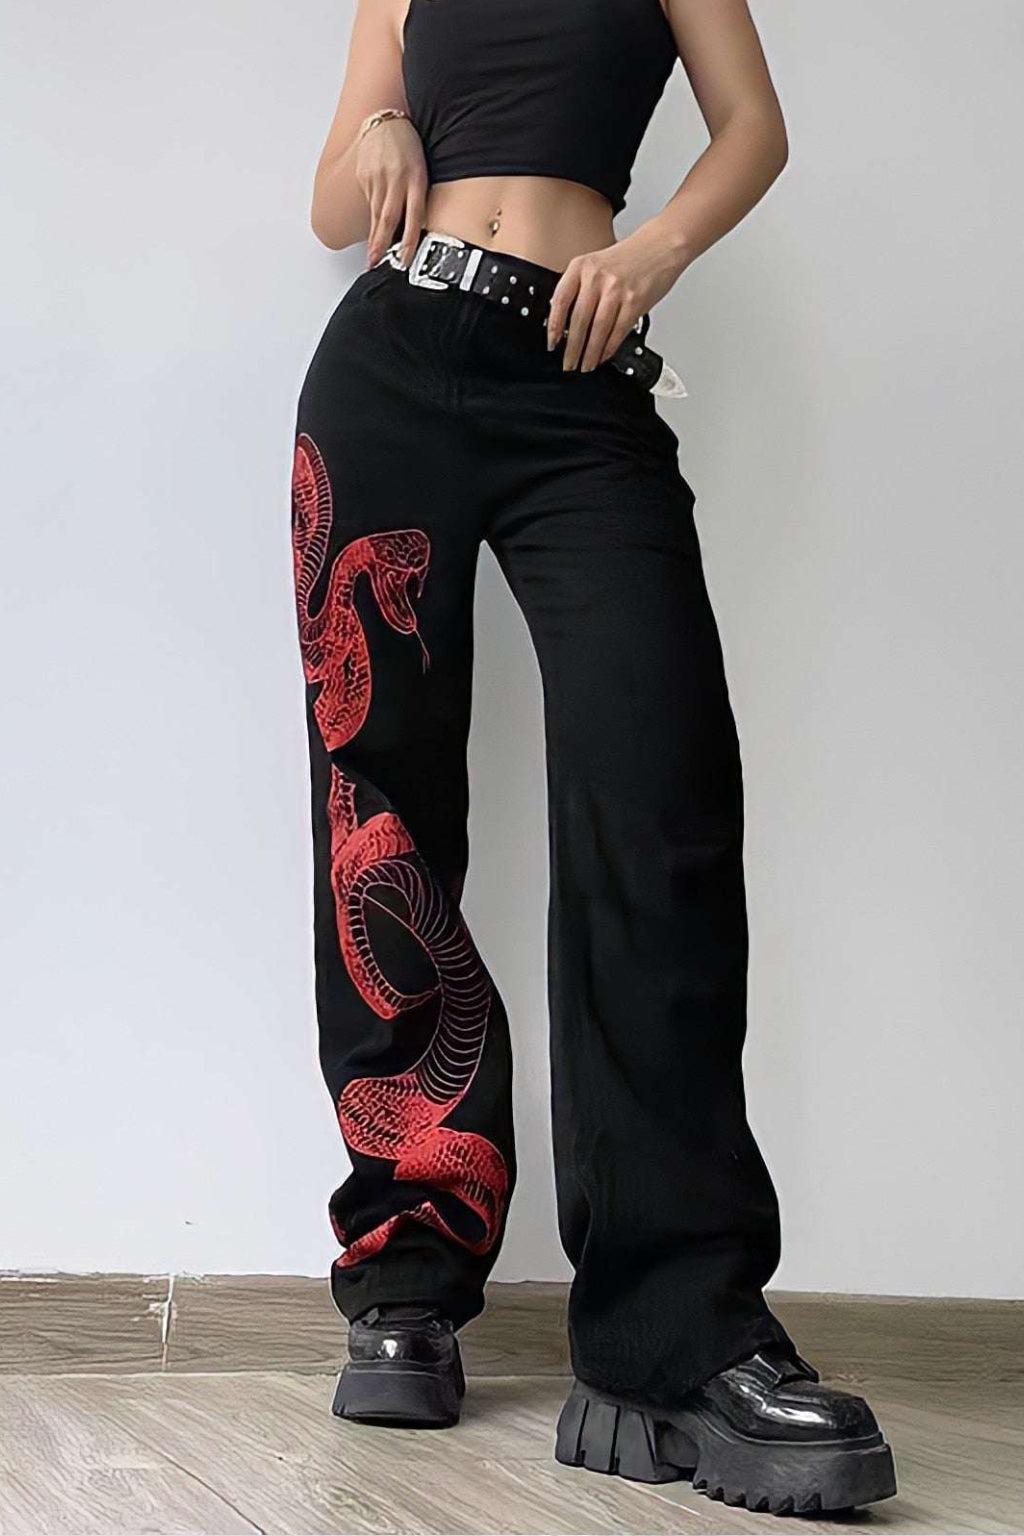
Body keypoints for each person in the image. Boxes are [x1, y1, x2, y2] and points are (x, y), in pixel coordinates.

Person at [291, 0, 896, 1514]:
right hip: (391, 362)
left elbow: (752, 126)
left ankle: (671, 1338)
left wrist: (655, 252)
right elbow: (332, 205)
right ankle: (408, 1275)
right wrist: (381, 128)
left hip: (581, 372)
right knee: (380, 813)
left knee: (658, 801)